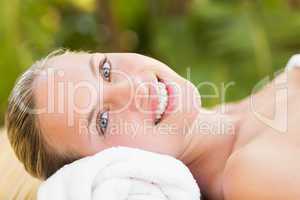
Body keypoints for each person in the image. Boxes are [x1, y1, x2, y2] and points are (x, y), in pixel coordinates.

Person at [5, 50, 300, 199]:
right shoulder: (252, 174)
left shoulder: (235, 115)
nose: (134, 87)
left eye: (106, 70)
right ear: (112, 163)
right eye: (103, 120)